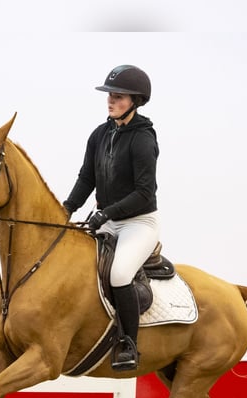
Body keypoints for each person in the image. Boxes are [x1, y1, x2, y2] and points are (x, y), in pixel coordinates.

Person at [63, 64, 160, 372]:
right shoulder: (100, 134)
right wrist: (65, 209)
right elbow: (86, 178)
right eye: (109, 95)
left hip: (138, 223)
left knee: (119, 274)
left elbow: (145, 193)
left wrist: (106, 213)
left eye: (118, 97)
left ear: (135, 101)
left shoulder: (143, 139)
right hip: (106, 220)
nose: (110, 101)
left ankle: (128, 343)